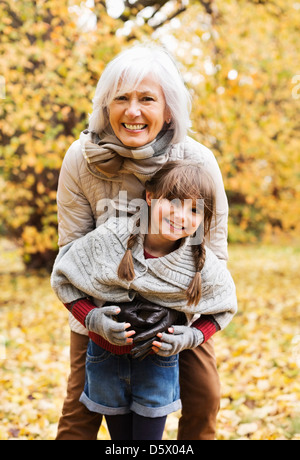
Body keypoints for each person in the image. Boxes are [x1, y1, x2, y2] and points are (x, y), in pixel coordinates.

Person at [54, 43, 229, 440]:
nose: (133, 111)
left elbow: (212, 251)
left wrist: (190, 329)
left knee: (205, 397)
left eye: (147, 99)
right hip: (103, 310)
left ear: (168, 109)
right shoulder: (81, 160)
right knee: (79, 412)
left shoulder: (196, 161)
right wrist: (93, 319)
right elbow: (70, 253)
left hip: (178, 308)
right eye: (122, 99)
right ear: (106, 106)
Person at [51, 161, 237, 440]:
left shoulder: (199, 263)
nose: (181, 215)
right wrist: (92, 317)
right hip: (105, 359)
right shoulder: (113, 237)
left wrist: (192, 336)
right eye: (173, 202)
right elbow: (64, 278)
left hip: (157, 365)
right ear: (150, 197)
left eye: (195, 210)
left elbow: (224, 307)